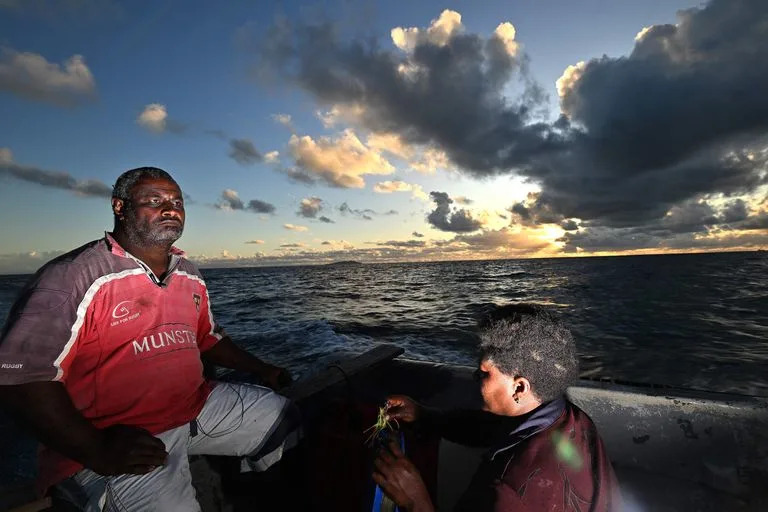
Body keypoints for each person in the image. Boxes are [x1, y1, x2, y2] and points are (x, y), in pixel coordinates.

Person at [0, 167, 300, 511]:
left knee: (284, 420)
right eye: (154, 200)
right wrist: (97, 449)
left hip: (193, 408)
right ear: (119, 206)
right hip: (121, 439)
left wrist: (263, 369)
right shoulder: (74, 275)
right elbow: (19, 377)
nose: (170, 209)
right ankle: (82, 490)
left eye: (176, 201)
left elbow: (207, 338)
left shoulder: (188, 274)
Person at [373, 312, 622, 512]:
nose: (475, 376)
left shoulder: (512, 493)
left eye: (484, 373)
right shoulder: (568, 417)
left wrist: (416, 502)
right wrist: (423, 415)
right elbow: (489, 428)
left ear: (519, 387)